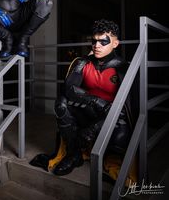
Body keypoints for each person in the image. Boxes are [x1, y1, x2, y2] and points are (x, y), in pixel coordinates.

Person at [30, 19, 136, 177]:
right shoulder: (83, 63)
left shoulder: (125, 68)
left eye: (103, 41)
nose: (96, 46)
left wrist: (94, 128)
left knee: (120, 137)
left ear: (115, 43)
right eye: (94, 41)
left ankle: (106, 153)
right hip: (90, 110)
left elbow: (128, 108)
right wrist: (96, 101)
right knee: (62, 103)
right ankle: (73, 155)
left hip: (113, 118)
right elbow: (68, 89)